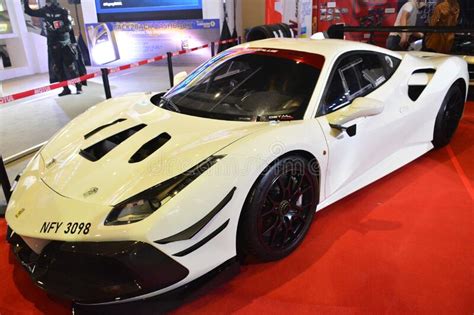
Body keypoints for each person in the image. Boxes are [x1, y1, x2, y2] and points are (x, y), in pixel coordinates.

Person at [23, 0, 85, 96]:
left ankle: (78, 86)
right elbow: (29, 12)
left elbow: (68, 26)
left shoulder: (63, 11)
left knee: (71, 67)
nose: (48, 3)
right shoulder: (45, 11)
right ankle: (65, 88)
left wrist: (57, 30)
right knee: (58, 68)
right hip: (53, 44)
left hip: (65, 43)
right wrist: (26, 2)